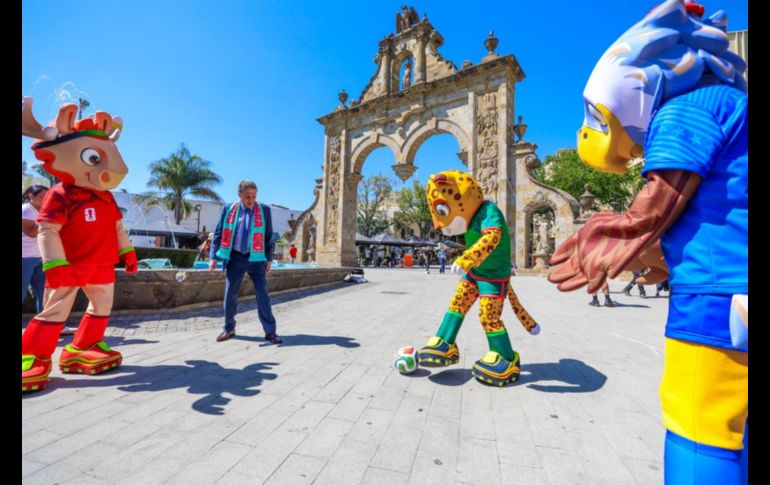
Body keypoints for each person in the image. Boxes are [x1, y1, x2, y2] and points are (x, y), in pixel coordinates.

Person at [209, 180, 281, 344]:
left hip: (256, 258)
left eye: (254, 196)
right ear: (239, 194)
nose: (251, 199)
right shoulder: (228, 210)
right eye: (248, 196)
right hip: (235, 257)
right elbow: (218, 235)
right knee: (230, 295)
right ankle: (228, 328)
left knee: (263, 295)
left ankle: (270, 332)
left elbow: (269, 237)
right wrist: (213, 258)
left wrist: (269, 258)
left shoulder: (264, 210)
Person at [21, 185, 78, 336]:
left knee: (47, 295)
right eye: (42, 196)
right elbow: (31, 232)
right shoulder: (26, 210)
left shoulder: (44, 212)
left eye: (48, 196)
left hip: (41, 258)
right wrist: (51, 223)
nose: (47, 199)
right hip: (24, 258)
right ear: (31, 196)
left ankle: (52, 327)